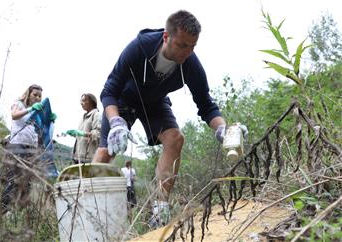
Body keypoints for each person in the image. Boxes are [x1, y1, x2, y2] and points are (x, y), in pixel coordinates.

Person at [93, 10, 246, 226]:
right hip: (124, 99)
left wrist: (223, 128)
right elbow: (109, 90)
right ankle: (85, 205)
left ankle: (160, 212)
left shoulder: (191, 64)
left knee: (175, 139)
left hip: (155, 102)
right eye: (182, 45)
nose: (187, 52)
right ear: (166, 37)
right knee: (104, 151)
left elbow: (206, 105)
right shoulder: (140, 47)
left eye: (193, 46)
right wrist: (116, 122)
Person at [0, 84, 56, 214]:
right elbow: (14, 115)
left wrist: (50, 121)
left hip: (32, 148)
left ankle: (20, 211)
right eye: (34, 94)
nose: (37, 98)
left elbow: (43, 130)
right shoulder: (18, 104)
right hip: (17, 145)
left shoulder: (38, 112)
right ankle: (4, 211)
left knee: (27, 179)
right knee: (13, 177)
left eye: (39, 96)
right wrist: (30, 109)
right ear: (28, 94)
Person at [65, 93, 101, 164]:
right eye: (81, 101)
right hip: (78, 156)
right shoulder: (83, 117)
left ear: (92, 102)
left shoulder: (96, 115)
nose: (82, 103)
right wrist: (75, 134)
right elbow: (81, 136)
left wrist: (84, 134)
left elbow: (98, 134)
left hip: (88, 157)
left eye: (84, 100)